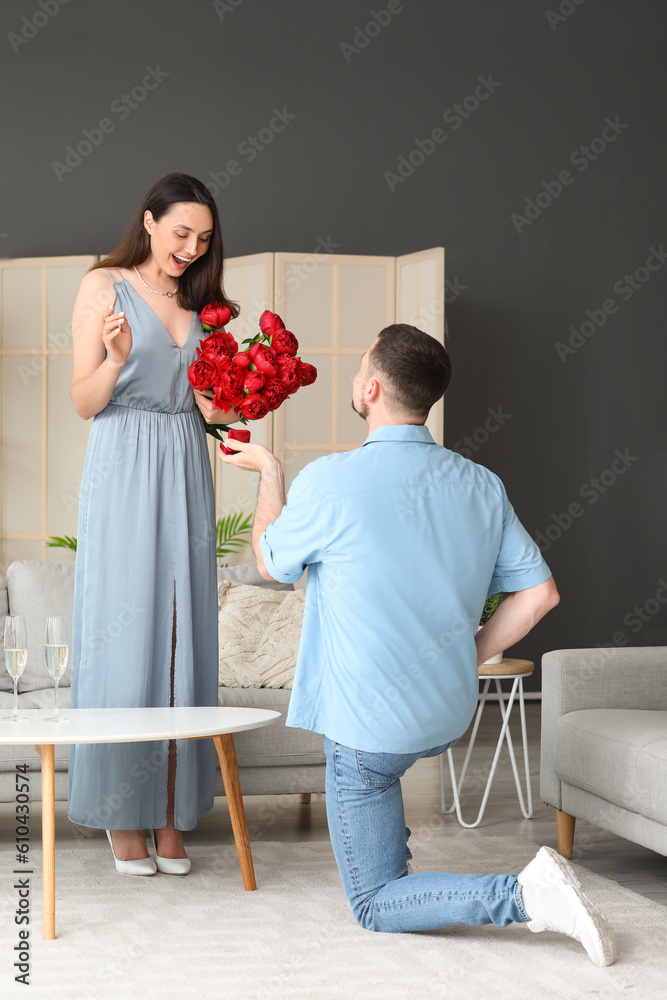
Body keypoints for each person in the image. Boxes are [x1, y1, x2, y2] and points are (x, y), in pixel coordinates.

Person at [218, 323, 617, 966]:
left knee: (375, 899)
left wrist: (268, 469)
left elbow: (271, 561)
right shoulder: (481, 484)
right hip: (448, 713)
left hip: (369, 729)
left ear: (370, 388)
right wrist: (468, 654)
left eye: (357, 368)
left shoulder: (331, 481)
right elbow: (540, 595)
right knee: (387, 773)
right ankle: (391, 842)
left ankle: (527, 896)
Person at [68, 173, 237, 875]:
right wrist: (112, 359)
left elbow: (218, 416)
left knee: (181, 631)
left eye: (202, 239)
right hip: (123, 459)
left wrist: (236, 390)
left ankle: (171, 811)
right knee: (127, 628)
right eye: (179, 234)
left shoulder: (209, 303)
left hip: (184, 461)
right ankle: (122, 817)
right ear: (148, 221)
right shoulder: (102, 285)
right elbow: (83, 401)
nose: (191, 249)